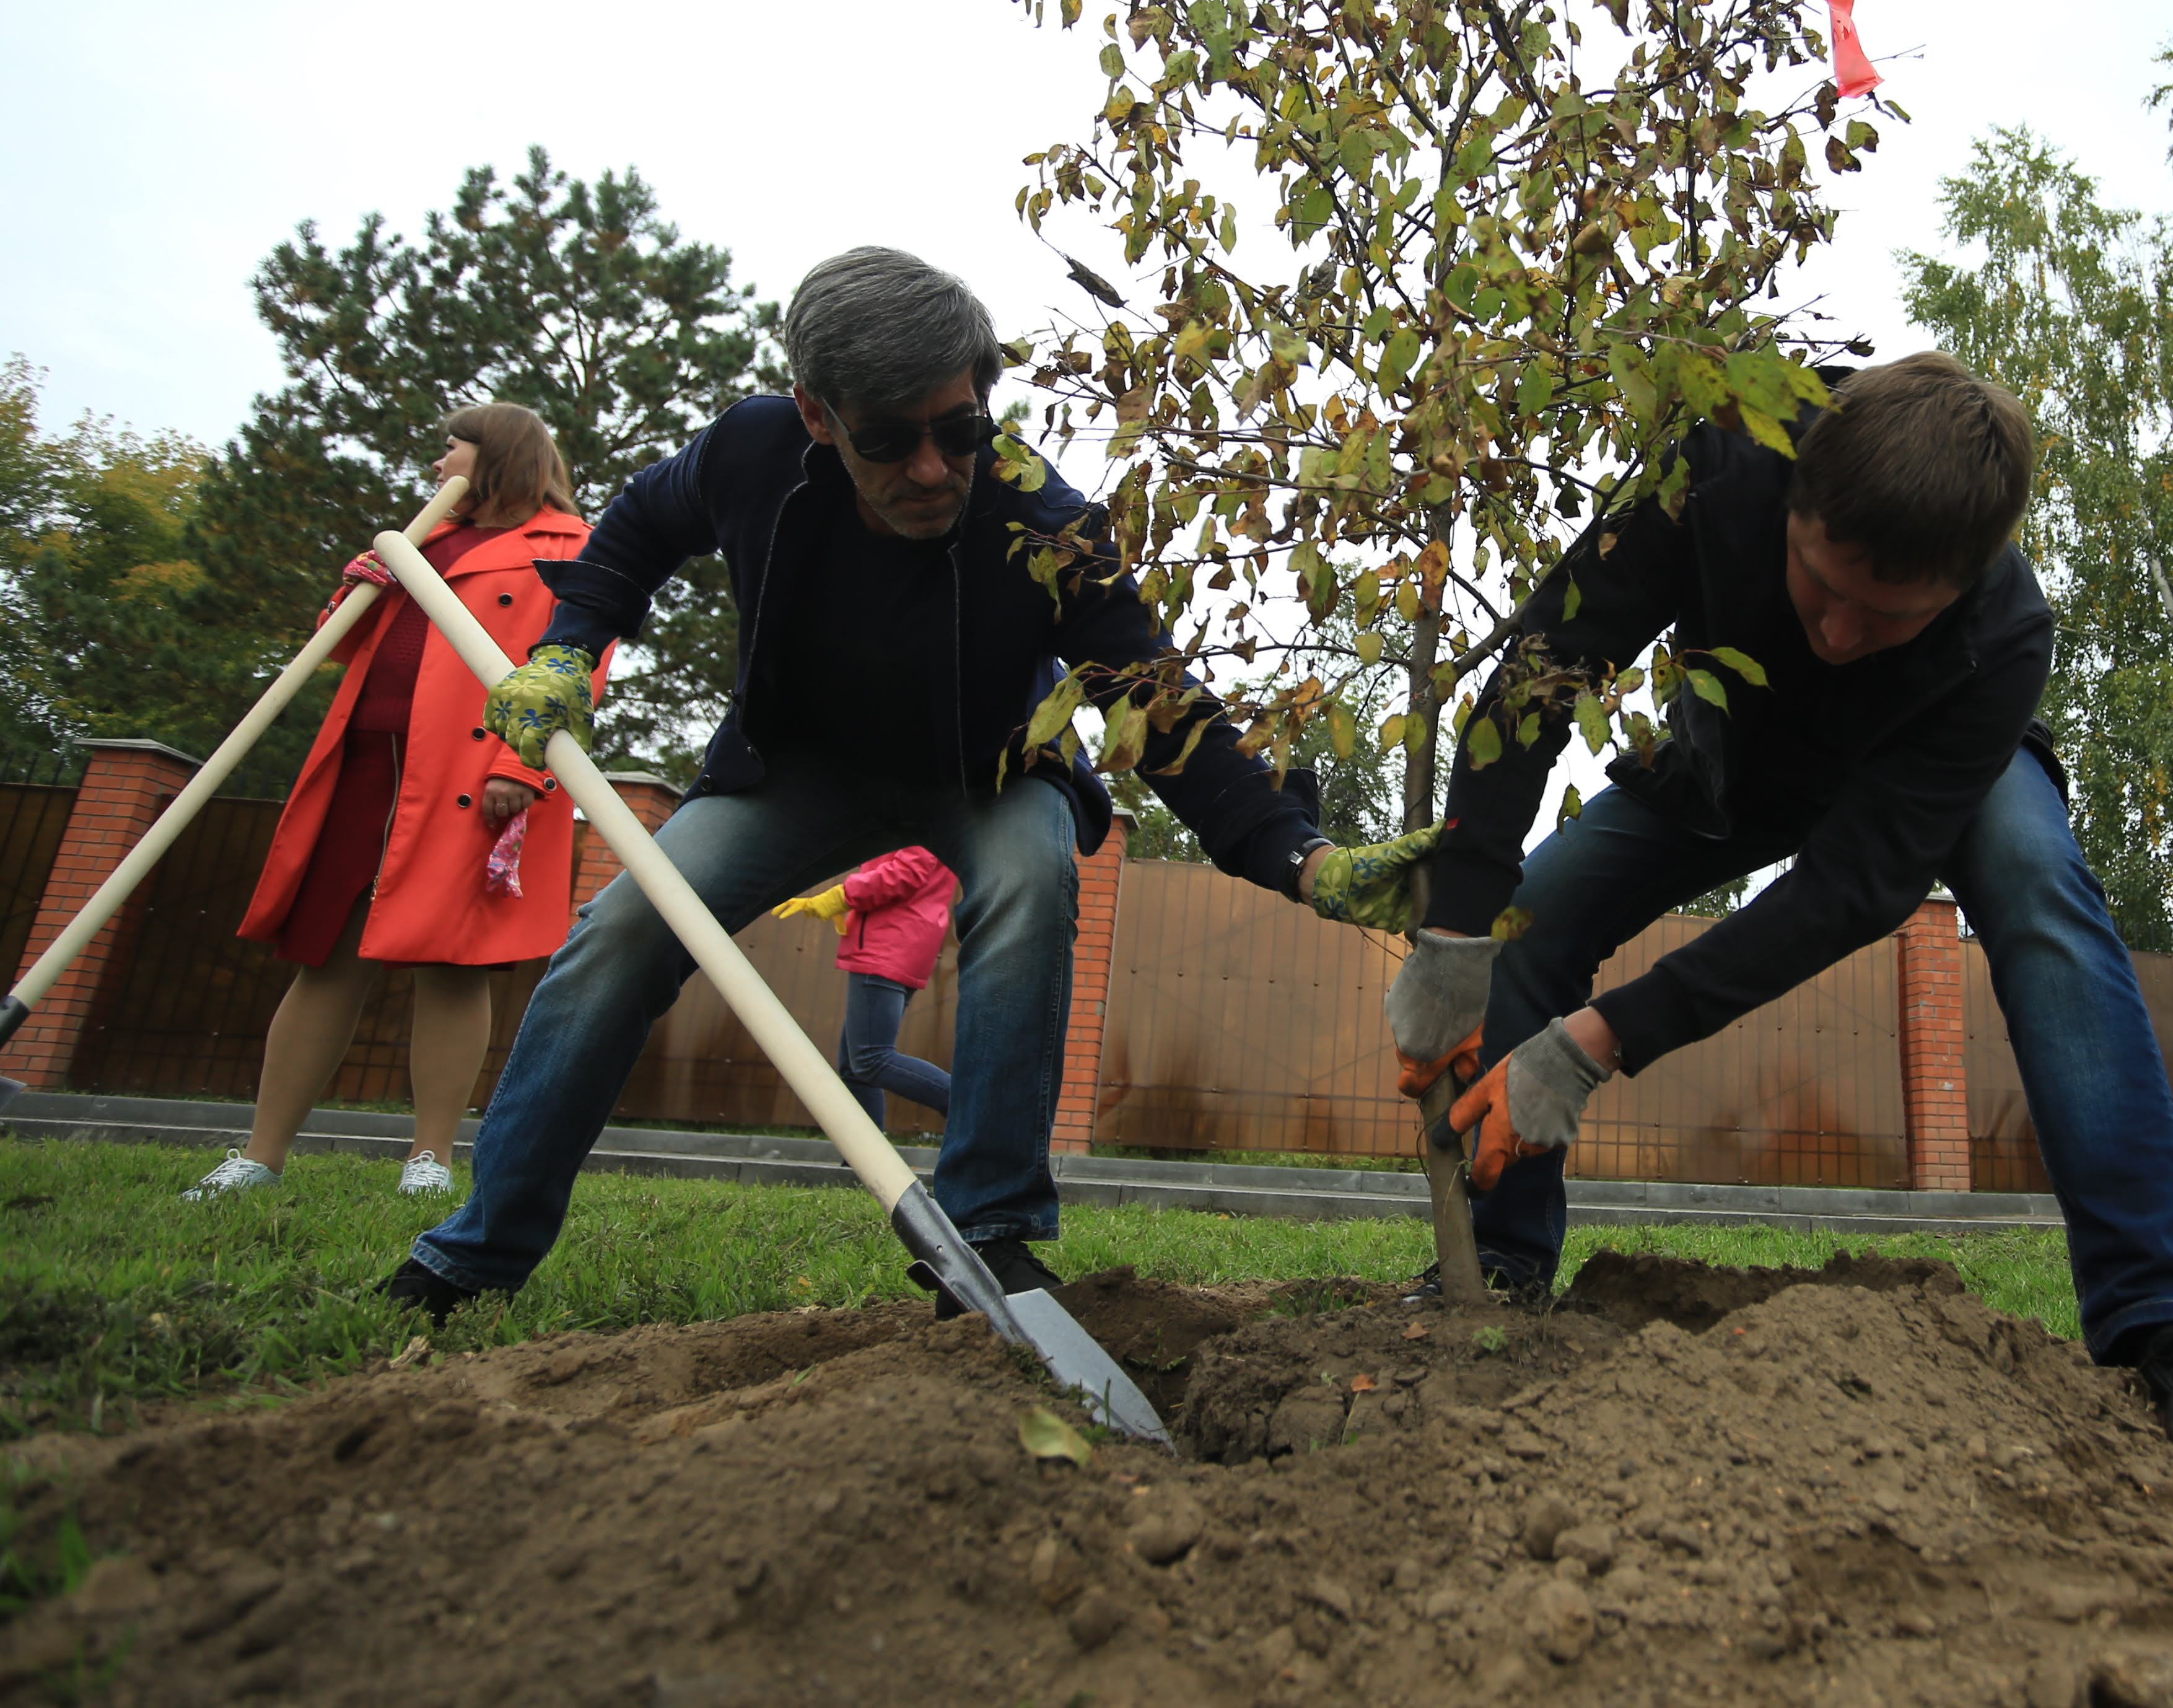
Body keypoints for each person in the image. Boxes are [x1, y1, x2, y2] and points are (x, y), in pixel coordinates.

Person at [385, 246, 1427, 1316]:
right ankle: (477, 1252)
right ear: (816, 414)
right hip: (796, 771)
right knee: (620, 935)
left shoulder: (1042, 518)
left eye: (958, 430)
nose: (932, 470)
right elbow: (638, 526)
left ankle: (992, 1237)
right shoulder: (752, 451)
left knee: (1030, 884)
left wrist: (1300, 855)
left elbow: (1160, 711)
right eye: (887, 439)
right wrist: (569, 648)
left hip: (989, 773)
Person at [1386, 353, 2173, 1466]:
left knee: (2037, 884)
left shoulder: (2003, 632)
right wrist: (1459, 919)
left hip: (1917, 775)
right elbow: (1545, 664)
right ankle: (1502, 1261)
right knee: (1536, 914)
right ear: (1794, 498)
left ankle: (2168, 1319)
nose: (1841, 635)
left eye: (1888, 616)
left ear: (1958, 586)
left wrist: (1602, 1039)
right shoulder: (1720, 456)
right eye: (1821, 585)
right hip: (1733, 761)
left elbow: (1852, 888)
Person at [186, 404, 604, 1202]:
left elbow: (576, 665)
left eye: (452, 449)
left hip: (468, 776)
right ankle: (260, 1156)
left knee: (451, 963)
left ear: (498, 458)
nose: (438, 466)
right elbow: (341, 643)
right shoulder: (419, 541)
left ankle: (429, 1158)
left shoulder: (568, 547)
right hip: (366, 768)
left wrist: (519, 765)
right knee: (325, 955)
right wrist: (354, 588)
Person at [775, 846, 959, 1126]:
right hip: (898, 941)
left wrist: (842, 896)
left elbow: (906, 873)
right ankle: (866, 1153)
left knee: (871, 1059)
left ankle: (975, 1110)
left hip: (887, 943)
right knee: (856, 1068)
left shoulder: (922, 818)